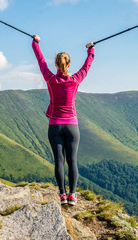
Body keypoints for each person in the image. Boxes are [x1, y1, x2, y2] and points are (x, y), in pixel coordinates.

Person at [32, 34, 95, 206]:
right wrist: (91, 50)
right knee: (72, 161)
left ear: (56, 65)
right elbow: (87, 66)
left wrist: (35, 43)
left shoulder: (50, 79)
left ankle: (62, 194)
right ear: (68, 64)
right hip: (72, 126)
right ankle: (73, 195)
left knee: (59, 161)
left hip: (54, 125)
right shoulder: (75, 80)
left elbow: (40, 61)